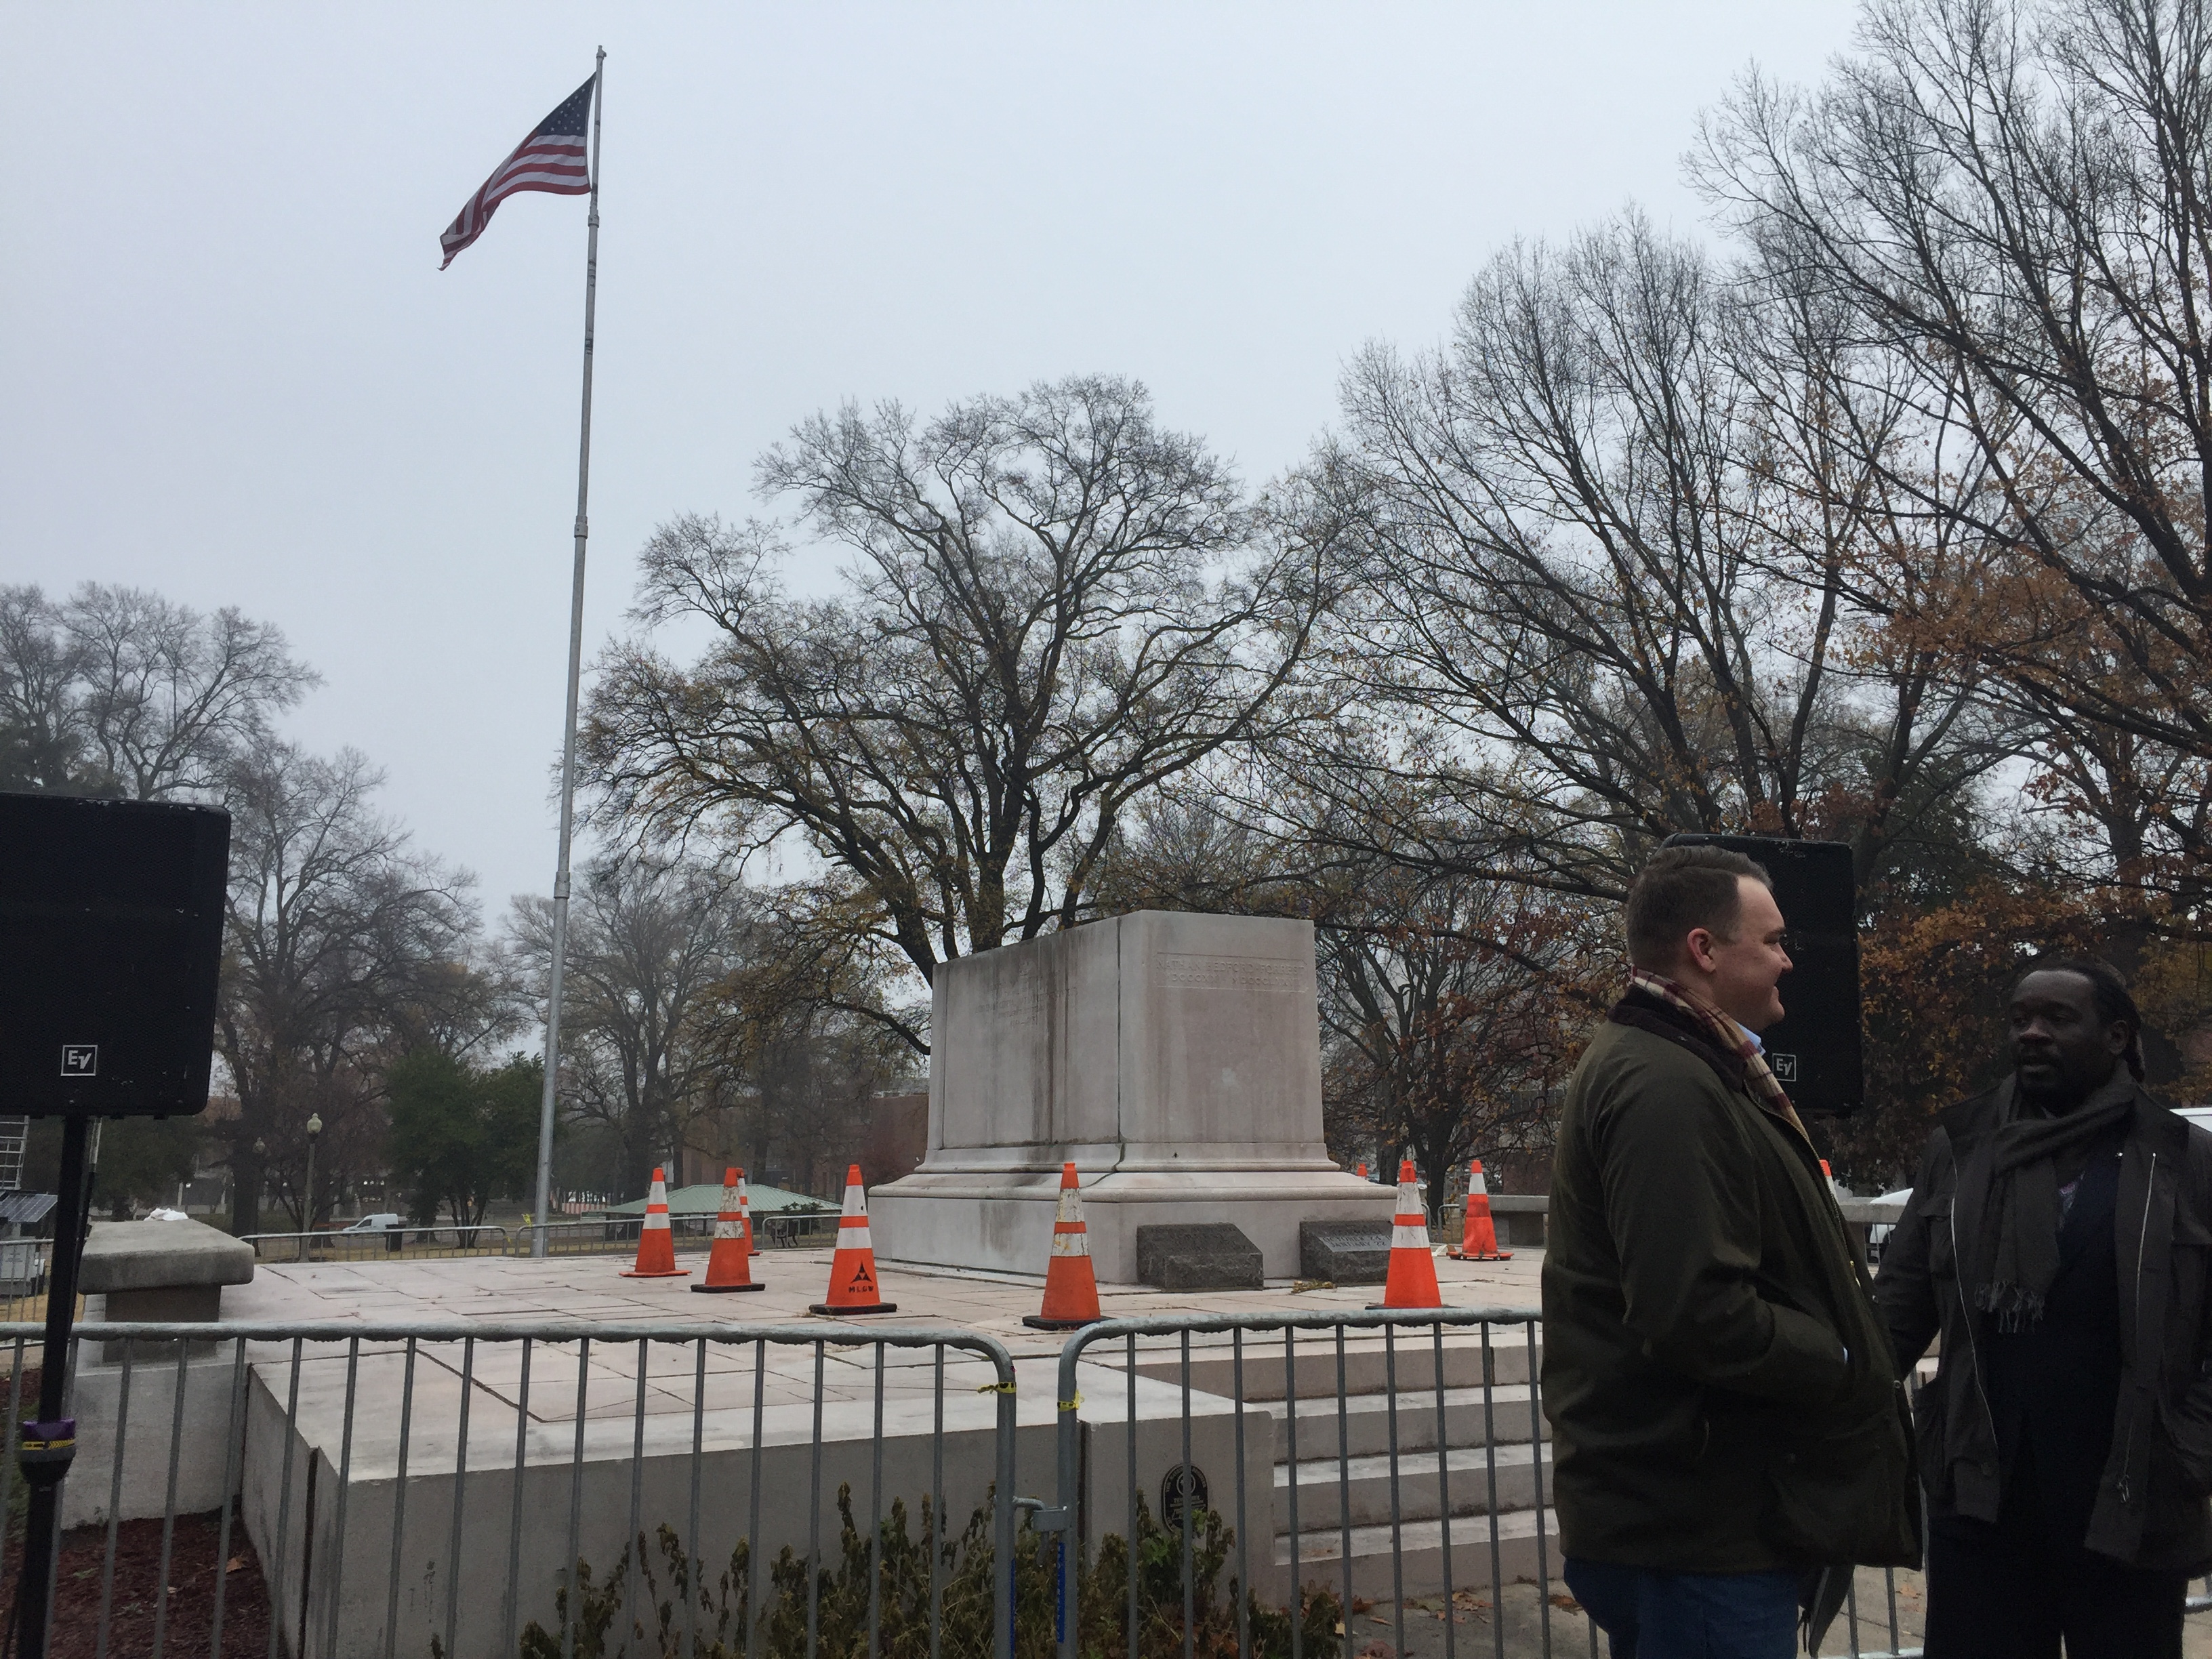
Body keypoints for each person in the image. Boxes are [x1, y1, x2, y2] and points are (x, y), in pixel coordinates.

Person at [1544, 845, 1916, 1659]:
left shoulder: (1691, 1067)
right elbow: (1695, 1311)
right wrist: (1847, 1355)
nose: (1789, 959)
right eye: (1773, 940)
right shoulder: (1667, 1087)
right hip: (1697, 1534)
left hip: (1699, 1520)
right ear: (1704, 951)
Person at [1875, 959, 2212, 1658]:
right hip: (1982, 1497)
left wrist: (2191, 1444)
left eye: (2057, 1019)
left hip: (2131, 1498)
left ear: (2117, 1037)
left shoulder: (2183, 1159)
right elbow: (1898, 1312)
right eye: (2020, 1019)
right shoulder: (1963, 1150)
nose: (2031, 1033)